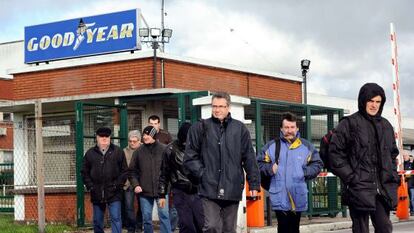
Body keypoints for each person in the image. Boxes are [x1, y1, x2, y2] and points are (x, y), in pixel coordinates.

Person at [184, 92, 260, 233]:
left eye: (221, 106)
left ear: (228, 107)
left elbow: (249, 157)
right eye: (214, 106)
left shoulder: (240, 129)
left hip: (232, 187)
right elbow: (189, 157)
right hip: (208, 187)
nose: (217, 110)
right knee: (212, 226)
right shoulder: (200, 128)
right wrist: (203, 174)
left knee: (229, 229)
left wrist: (254, 183)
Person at [329, 83, 399, 233]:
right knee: (361, 230)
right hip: (358, 187)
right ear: (363, 101)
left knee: (385, 227)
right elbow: (335, 153)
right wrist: (351, 177)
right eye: (370, 101)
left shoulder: (386, 125)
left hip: (381, 189)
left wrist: (391, 175)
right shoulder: (349, 123)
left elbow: (393, 154)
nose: (374, 105)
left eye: (378, 102)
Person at [257, 112, 323, 233]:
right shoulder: (271, 146)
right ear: (281, 129)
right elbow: (259, 164)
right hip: (279, 194)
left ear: (297, 128)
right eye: (286, 127)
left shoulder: (306, 146)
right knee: (283, 227)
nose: (289, 130)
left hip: (298, 195)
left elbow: (317, 164)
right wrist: (270, 169)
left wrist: (304, 172)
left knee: (294, 228)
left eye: (292, 127)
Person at [159, 122, 204, 233]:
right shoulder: (170, 150)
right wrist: (162, 194)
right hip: (180, 191)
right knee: (186, 224)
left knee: (201, 223)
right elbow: (164, 173)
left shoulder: (201, 148)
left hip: (198, 191)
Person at [81, 127, 128, 233]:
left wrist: (117, 185)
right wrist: (90, 186)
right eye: (101, 136)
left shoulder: (118, 152)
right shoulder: (90, 153)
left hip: (114, 192)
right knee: (97, 220)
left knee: (116, 218)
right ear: (97, 137)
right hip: (96, 191)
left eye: (106, 136)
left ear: (110, 137)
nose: (104, 139)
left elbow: (124, 171)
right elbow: (84, 172)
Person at [129, 126, 171, 233]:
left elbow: (169, 170)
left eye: (147, 134)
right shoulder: (138, 152)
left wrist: (167, 187)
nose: (145, 137)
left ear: (153, 135)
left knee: (164, 216)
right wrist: (136, 185)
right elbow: (132, 171)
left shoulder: (164, 149)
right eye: (144, 134)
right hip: (144, 191)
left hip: (161, 191)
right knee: (146, 218)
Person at [148, 114, 178, 231]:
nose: (154, 126)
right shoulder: (146, 135)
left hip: (167, 174)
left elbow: (172, 150)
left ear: (159, 124)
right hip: (152, 174)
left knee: (169, 205)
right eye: (151, 124)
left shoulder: (166, 135)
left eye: (155, 123)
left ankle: (170, 227)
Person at [123, 130, 142, 233]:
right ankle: (131, 228)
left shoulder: (144, 150)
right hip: (128, 184)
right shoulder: (124, 151)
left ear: (139, 141)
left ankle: (139, 226)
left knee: (142, 207)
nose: (132, 143)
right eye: (130, 141)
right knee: (128, 207)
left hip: (141, 183)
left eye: (135, 141)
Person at [402, 150, 414, 216]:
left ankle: (412, 211)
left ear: (409, 156)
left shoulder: (411, 164)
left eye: (405, 155)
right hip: (405, 184)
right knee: (407, 199)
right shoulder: (402, 164)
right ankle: (407, 211)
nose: (404, 157)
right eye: (403, 156)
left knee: (412, 199)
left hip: (411, 184)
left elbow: (408, 174)